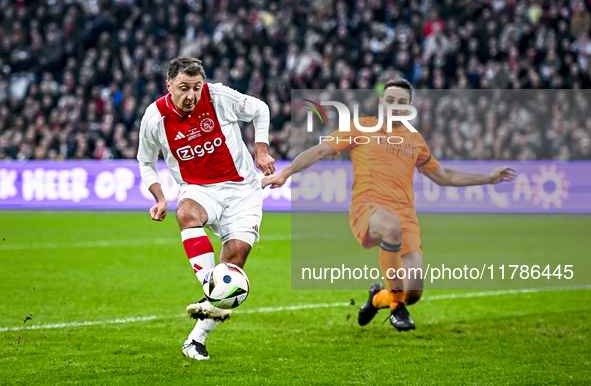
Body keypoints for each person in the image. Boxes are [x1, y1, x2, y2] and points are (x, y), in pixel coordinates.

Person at [261, 79, 515, 331]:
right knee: (391, 228)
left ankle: (378, 298)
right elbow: (318, 151)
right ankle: (396, 308)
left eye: (402, 102)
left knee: (413, 291)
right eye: (390, 100)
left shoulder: (415, 139)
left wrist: (488, 178)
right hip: (367, 206)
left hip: (406, 214)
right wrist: (286, 172)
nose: (395, 105)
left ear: (409, 108)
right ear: (381, 102)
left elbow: (443, 176)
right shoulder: (361, 127)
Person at [137, 57, 274, 360]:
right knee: (185, 213)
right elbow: (146, 163)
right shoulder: (155, 117)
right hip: (199, 189)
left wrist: (261, 149)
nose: (191, 96)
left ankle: (194, 341)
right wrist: (160, 197)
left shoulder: (218, 96)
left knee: (236, 258)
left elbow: (260, 109)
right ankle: (212, 288)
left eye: (196, 88)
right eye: (184, 88)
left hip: (243, 191)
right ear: (169, 86)